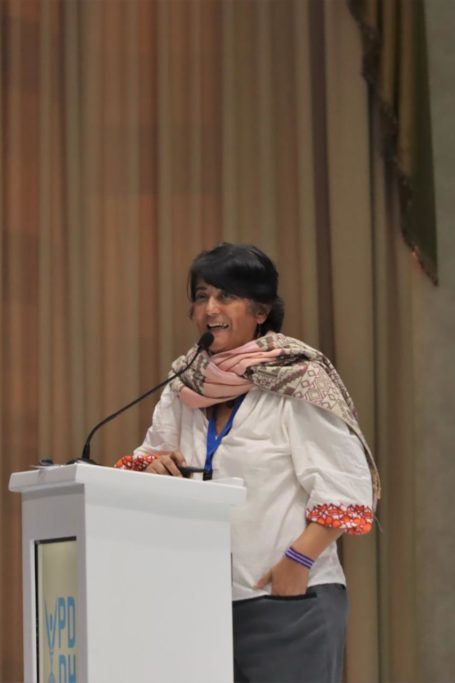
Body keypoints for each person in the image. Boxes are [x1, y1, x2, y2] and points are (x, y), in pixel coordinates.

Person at [114, 243, 379, 683]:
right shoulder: (185, 385)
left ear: (261, 311)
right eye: (201, 296)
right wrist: (156, 467)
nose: (210, 309)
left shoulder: (298, 380)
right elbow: (149, 457)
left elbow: (347, 488)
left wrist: (296, 563)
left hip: (287, 603)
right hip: (200, 606)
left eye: (227, 296)